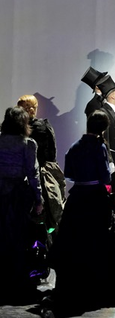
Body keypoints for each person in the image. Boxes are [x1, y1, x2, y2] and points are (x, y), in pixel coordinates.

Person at [41, 110, 115, 318]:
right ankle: (100, 285)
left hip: (77, 199)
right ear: (103, 129)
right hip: (95, 199)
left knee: (74, 240)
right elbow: (105, 177)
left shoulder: (75, 146)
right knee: (99, 242)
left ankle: (73, 283)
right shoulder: (100, 147)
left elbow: (69, 174)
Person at [0, 106, 43, 303]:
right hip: (18, 195)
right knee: (19, 238)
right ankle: (17, 280)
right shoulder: (28, 144)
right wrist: (38, 199)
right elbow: (33, 174)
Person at [17, 94, 66, 240]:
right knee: (50, 215)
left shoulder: (15, 130)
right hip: (45, 174)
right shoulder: (44, 127)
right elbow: (52, 153)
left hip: (22, 177)